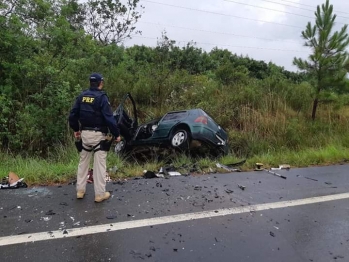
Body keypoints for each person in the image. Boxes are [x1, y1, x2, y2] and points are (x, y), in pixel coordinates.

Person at [69, 73, 121, 203]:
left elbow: (72, 115)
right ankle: (99, 194)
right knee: (99, 166)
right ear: (100, 83)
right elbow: (109, 118)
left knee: (83, 163)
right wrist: (117, 134)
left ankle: (80, 191)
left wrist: (76, 129)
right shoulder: (102, 98)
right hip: (98, 136)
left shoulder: (82, 96)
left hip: (85, 134)